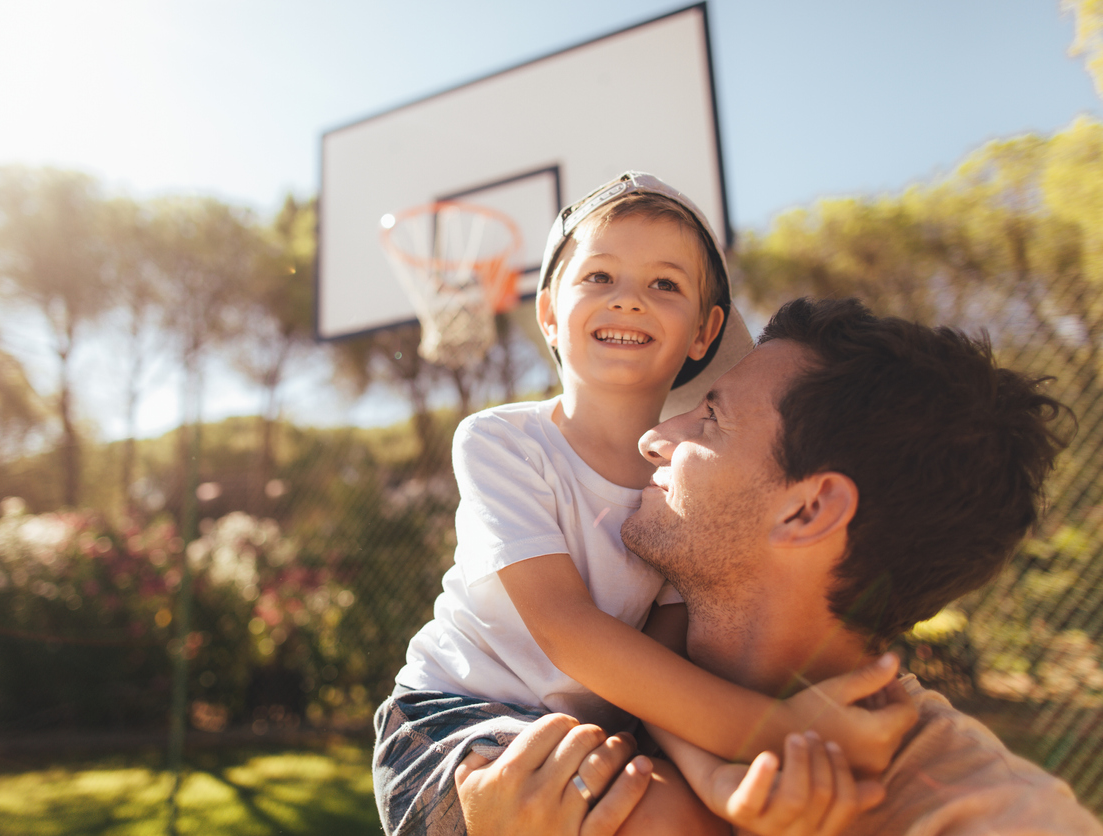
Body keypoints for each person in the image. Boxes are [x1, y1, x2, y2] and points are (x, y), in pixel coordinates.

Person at [374, 175, 917, 836]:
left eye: (664, 285)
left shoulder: (685, 490)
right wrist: (776, 730)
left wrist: (714, 774)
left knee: (689, 818)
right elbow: (566, 629)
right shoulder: (501, 442)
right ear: (548, 313)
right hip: (456, 714)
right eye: (599, 277)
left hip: (593, 726)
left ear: (704, 330)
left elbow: (660, 666)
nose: (628, 300)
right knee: (659, 816)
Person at [458, 296, 1103, 835]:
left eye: (711, 418)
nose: (653, 436)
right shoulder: (623, 697)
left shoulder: (983, 814)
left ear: (809, 509)